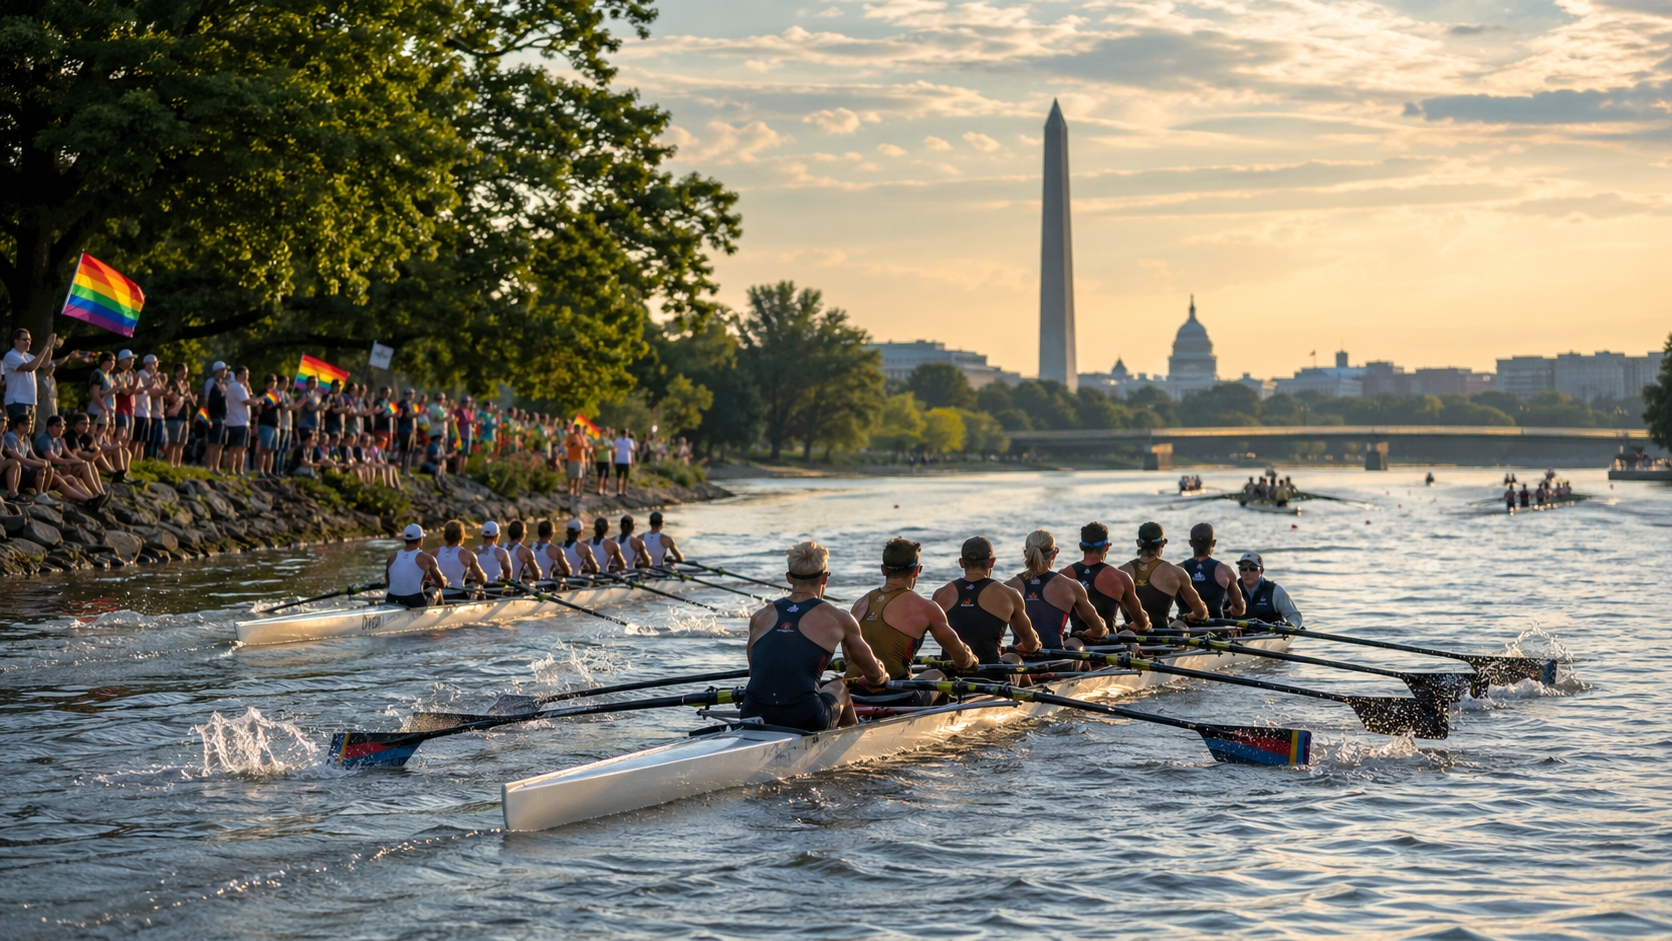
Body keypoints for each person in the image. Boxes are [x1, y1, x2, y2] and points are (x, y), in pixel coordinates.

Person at [741, 540, 889, 731]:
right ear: (825, 578)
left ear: (788, 577)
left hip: (752, 712)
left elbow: (755, 672)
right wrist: (883, 675)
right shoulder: (839, 618)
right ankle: (851, 745)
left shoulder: (760, 616)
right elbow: (873, 675)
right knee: (839, 688)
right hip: (804, 717)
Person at [845, 538, 978, 706]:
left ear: (883, 570)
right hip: (899, 697)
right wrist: (970, 660)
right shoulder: (925, 607)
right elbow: (960, 658)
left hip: (853, 696)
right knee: (938, 675)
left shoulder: (859, 604)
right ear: (917, 570)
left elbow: (849, 657)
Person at [931, 536, 1041, 676]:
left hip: (950, 675)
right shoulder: (1009, 594)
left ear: (961, 563)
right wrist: (1035, 643)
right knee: (1013, 658)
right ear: (992, 562)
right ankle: (1025, 694)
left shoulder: (940, 595)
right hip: (991, 676)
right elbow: (1031, 645)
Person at [1007, 529, 1106, 653]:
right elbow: (1098, 630)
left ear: (1026, 554)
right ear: (1054, 554)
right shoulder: (1071, 586)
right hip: (1056, 661)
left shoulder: (1008, 587)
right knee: (1074, 642)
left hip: (1020, 659)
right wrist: (1095, 631)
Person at [1118, 522, 1210, 631]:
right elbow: (1201, 613)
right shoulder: (1176, 573)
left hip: (1130, 637)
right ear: (1163, 543)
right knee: (1179, 625)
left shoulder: (1121, 572)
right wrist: (1192, 616)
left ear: (1138, 543)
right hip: (1161, 637)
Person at [1062, 521, 1148, 636]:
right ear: (1107, 547)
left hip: (1076, 643)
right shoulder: (1120, 577)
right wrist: (1145, 622)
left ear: (1081, 546)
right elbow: (1141, 622)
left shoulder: (1064, 575)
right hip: (1109, 645)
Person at [33, 415, 106, 508]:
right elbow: (53, 459)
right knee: (61, 482)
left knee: (73, 478)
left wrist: (80, 461)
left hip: (54, 472)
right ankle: (87, 500)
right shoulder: (45, 439)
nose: (61, 428)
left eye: (63, 426)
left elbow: (68, 454)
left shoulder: (58, 440)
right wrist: (72, 462)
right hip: (43, 474)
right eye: (58, 425)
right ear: (50, 427)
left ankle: (94, 497)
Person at [1178, 523, 1245, 620]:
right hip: (1216, 629)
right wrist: (1231, 610)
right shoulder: (1225, 570)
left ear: (1191, 543)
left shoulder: (1177, 570)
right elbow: (1240, 609)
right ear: (1214, 543)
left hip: (1185, 629)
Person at [386, 523, 450, 607]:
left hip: (391, 599)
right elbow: (441, 584)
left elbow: (388, 584)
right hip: (415, 602)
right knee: (437, 589)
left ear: (404, 539)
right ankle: (441, 616)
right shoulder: (427, 558)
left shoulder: (391, 557)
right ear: (421, 539)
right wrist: (444, 581)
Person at [1235, 552, 1303, 627]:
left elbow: (1294, 616)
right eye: (1243, 568)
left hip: (1270, 636)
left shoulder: (1275, 591)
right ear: (1240, 571)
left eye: (1252, 568)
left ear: (1261, 570)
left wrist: (1290, 626)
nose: (1247, 572)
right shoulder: (1230, 589)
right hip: (1237, 635)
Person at [4, 328, 55, 425]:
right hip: (17, 401)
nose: (28, 342)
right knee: (18, 431)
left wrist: (50, 346)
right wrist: (46, 345)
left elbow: (45, 363)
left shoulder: (28, 356)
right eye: (25, 339)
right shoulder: (11, 355)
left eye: (29, 340)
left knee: (28, 434)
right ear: (16, 340)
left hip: (30, 401)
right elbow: (30, 367)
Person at [433, 519, 488, 597]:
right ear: (462, 535)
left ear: (445, 535)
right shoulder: (469, 555)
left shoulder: (433, 553)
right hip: (458, 595)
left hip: (439, 595)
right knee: (479, 586)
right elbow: (481, 579)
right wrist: (484, 577)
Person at [475, 521, 512, 585]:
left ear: (482, 535)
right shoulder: (502, 552)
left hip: (479, 587)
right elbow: (508, 573)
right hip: (495, 588)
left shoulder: (474, 551)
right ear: (497, 535)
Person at [564, 424, 587, 496]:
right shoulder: (572, 437)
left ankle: (577, 492)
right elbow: (567, 445)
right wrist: (572, 444)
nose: (578, 430)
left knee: (579, 477)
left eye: (579, 429)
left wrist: (581, 436)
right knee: (571, 477)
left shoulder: (583, 437)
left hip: (580, 460)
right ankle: (570, 492)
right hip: (572, 459)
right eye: (577, 429)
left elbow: (585, 446)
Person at [612, 429, 635, 496]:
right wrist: (633, 461)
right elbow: (632, 451)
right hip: (626, 460)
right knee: (626, 477)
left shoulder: (617, 440)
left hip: (618, 460)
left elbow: (614, 450)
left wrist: (614, 459)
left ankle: (618, 491)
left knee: (618, 477)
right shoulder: (630, 441)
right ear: (627, 433)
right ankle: (624, 491)